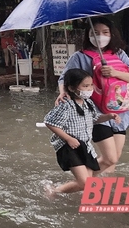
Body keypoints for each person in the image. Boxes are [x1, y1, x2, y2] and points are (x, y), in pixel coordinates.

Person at [55, 17, 129, 174]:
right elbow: (64, 78)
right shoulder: (80, 57)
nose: (100, 36)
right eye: (95, 33)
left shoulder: (119, 54)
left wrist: (114, 72)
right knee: (110, 159)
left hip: (121, 111)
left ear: (111, 34)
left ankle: (96, 187)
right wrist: (62, 92)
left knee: (113, 159)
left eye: (105, 32)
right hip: (96, 112)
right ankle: (83, 183)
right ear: (88, 35)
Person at [44, 68, 121, 197]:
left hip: (85, 145)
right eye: (85, 86)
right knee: (85, 183)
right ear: (72, 88)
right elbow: (49, 122)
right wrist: (68, 138)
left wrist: (109, 116)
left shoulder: (88, 103)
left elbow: (94, 118)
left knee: (87, 183)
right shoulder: (66, 105)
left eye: (91, 85)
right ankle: (54, 191)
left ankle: (55, 190)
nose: (89, 89)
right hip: (69, 146)